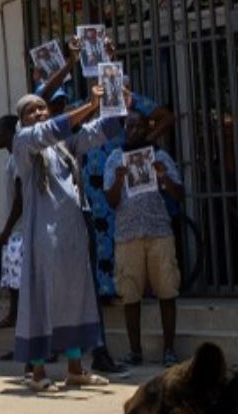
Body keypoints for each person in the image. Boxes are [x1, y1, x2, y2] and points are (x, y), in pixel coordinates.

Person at [10, 71, 121, 392]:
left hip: (71, 232)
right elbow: (52, 128)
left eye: (43, 108)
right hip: (43, 234)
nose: (40, 112)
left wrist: (116, 105)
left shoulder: (63, 143)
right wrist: (90, 103)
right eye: (32, 109)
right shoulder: (23, 142)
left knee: (75, 295)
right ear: (22, 118)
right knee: (44, 298)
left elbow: (100, 132)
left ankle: (75, 368)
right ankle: (39, 372)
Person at [103, 115, 185, 366]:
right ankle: (135, 350)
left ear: (148, 129)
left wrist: (164, 178)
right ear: (124, 129)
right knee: (130, 294)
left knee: (167, 291)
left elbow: (180, 194)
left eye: (140, 126)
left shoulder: (160, 156)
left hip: (158, 230)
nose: (134, 130)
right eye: (130, 126)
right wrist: (118, 180)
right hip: (128, 234)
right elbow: (111, 201)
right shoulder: (115, 158)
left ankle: (169, 350)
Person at [0, 114, 21, 332]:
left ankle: (17, 316)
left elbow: (21, 197)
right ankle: (14, 314)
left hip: (19, 230)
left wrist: (7, 229)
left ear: (9, 132)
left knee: (16, 277)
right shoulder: (10, 158)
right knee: (9, 273)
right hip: (14, 229)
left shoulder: (19, 158)